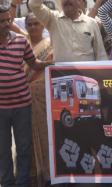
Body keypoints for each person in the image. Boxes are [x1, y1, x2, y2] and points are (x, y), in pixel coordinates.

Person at [0, 5, 51, 187]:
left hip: (22, 105)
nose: (7, 24)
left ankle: (22, 182)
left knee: (23, 147)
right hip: (1, 109)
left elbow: (34, 63)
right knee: (3, 149)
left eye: (9, 20)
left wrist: (52, 64)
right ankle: (6, 182)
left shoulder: (21, 42)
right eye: (2, 21)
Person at [29, 0, 108, 62]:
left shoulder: (92, 23)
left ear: (79, 1)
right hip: (61, 76)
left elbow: (101, 54)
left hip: (87, 76)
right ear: (60, 1)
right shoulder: (53, 19)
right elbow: (33, 4)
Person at [24, 13, 53, 187]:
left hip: (44, 99)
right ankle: (32, 174)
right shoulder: (20, 43)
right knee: (25, 139)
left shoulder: (51, 45)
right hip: (22, 100)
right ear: (26, 26)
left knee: (46, 135)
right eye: (30, 24)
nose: (33, 27)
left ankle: (49, 173)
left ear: (43, 25)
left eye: (36, 23)